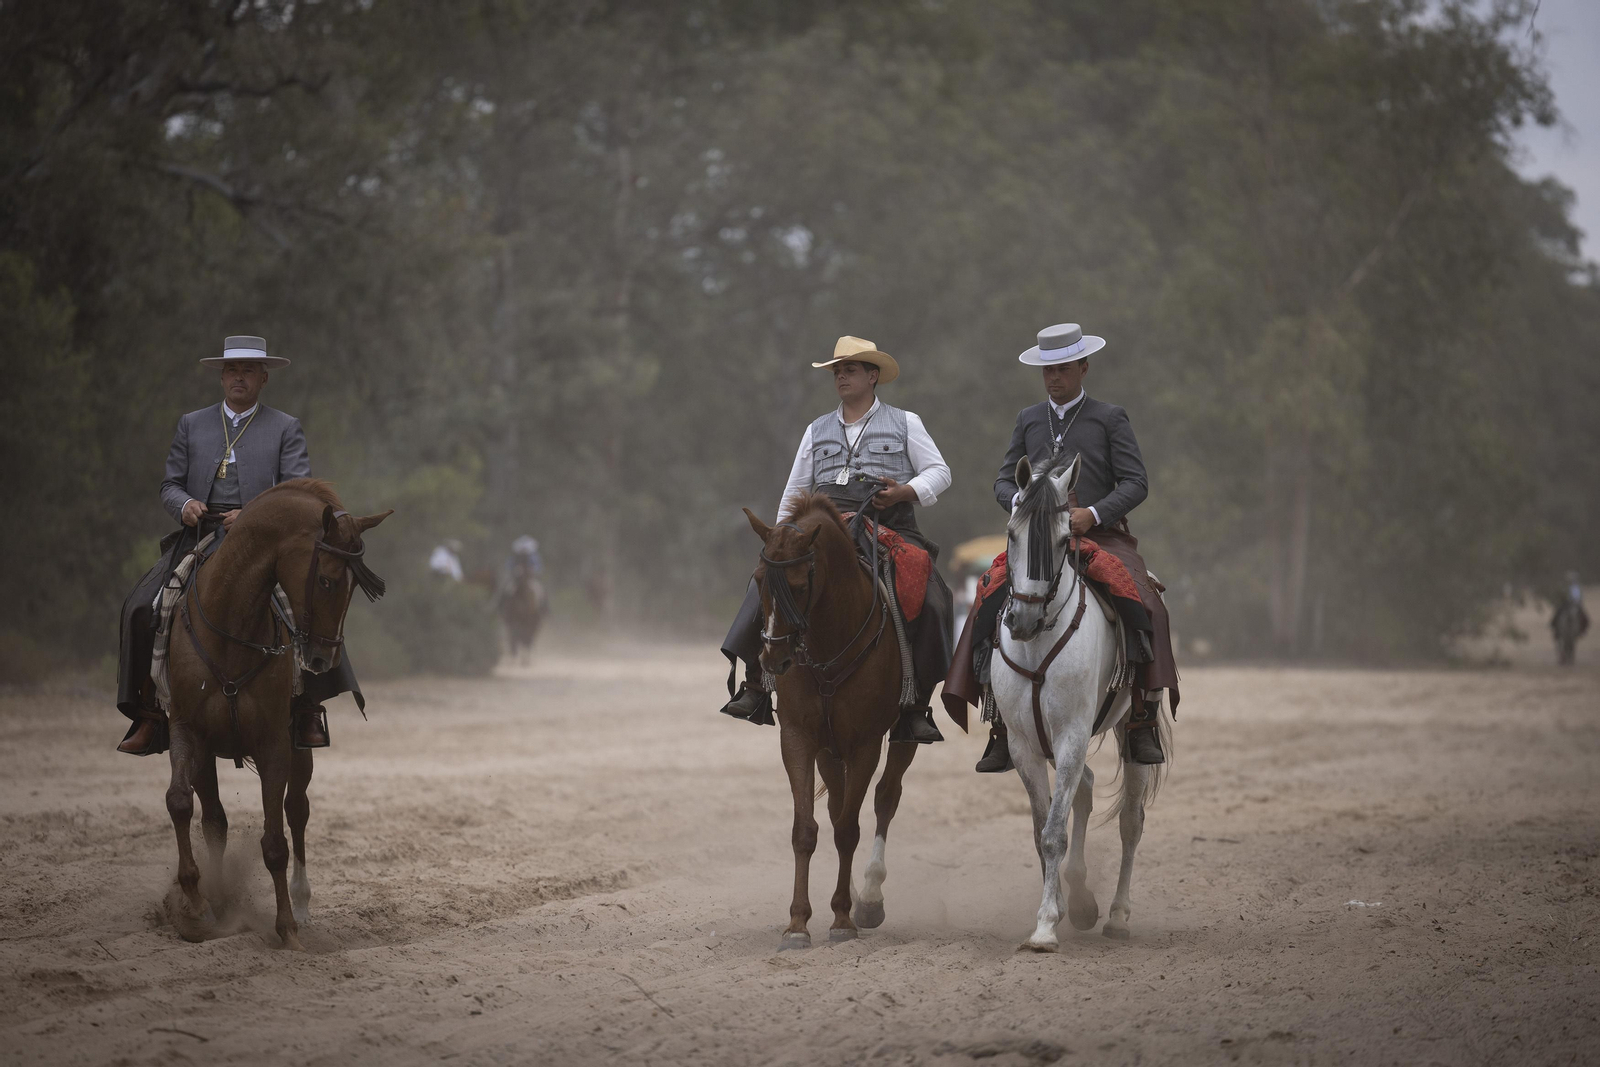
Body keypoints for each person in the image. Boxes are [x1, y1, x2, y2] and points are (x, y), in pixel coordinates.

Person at [115, 335, 361, 755]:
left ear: (264, 378)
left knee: (307, 604)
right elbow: (169, 485)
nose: (239, 378)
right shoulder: (191, 423)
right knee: (143, 606)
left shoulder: (285, 427)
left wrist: (250, 515)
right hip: (199, 535)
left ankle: (305, 707)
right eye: (232, 370)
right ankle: (150, 711)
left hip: (265, 543)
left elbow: (298, 492)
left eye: (248, 371)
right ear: (222, 376)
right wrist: (185, 504)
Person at [959, 322, 1179, 772]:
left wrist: (1092, 514)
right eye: (1046, 370)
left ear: (1083, 366)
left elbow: (1137, 483)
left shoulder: (1110, 417)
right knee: (989, 594)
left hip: (1101, 534)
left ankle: (1141, 720)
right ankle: (999, 721)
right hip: (1039, 536)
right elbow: (1003, 480)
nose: (1053, 377)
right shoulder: (1028, 419)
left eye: (1061, 368)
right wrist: (1020, 500)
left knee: (1148, 603)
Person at [720, 336, 955, 744]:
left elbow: (939, 472)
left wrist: (904, 492)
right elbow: (796, 489)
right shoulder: (816, 429)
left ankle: (916, 704)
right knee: (766, 577)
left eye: (850, 369)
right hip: (821, 533)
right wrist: (780, 539)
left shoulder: (906, 422)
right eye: (837, 370)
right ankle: (756, 684)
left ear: (873, 375)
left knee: (932, 593)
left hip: (888, 524)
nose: (841, 376)